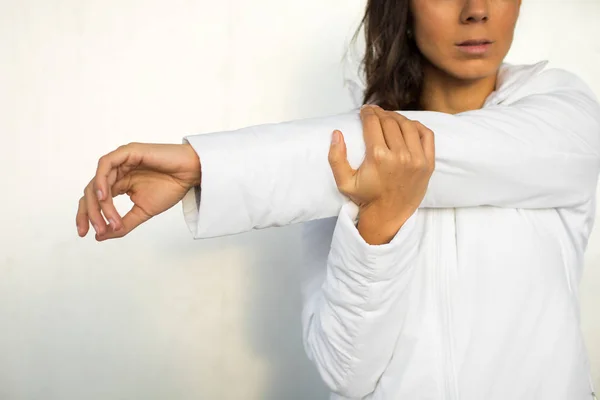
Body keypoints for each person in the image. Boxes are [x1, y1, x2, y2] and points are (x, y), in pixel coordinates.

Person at [76, 0, 600, 399]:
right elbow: (347, 373)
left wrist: (202, 165)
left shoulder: (566, 117)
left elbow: (445, 149)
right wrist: (380, 228)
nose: (476, 11)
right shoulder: (329, 171)